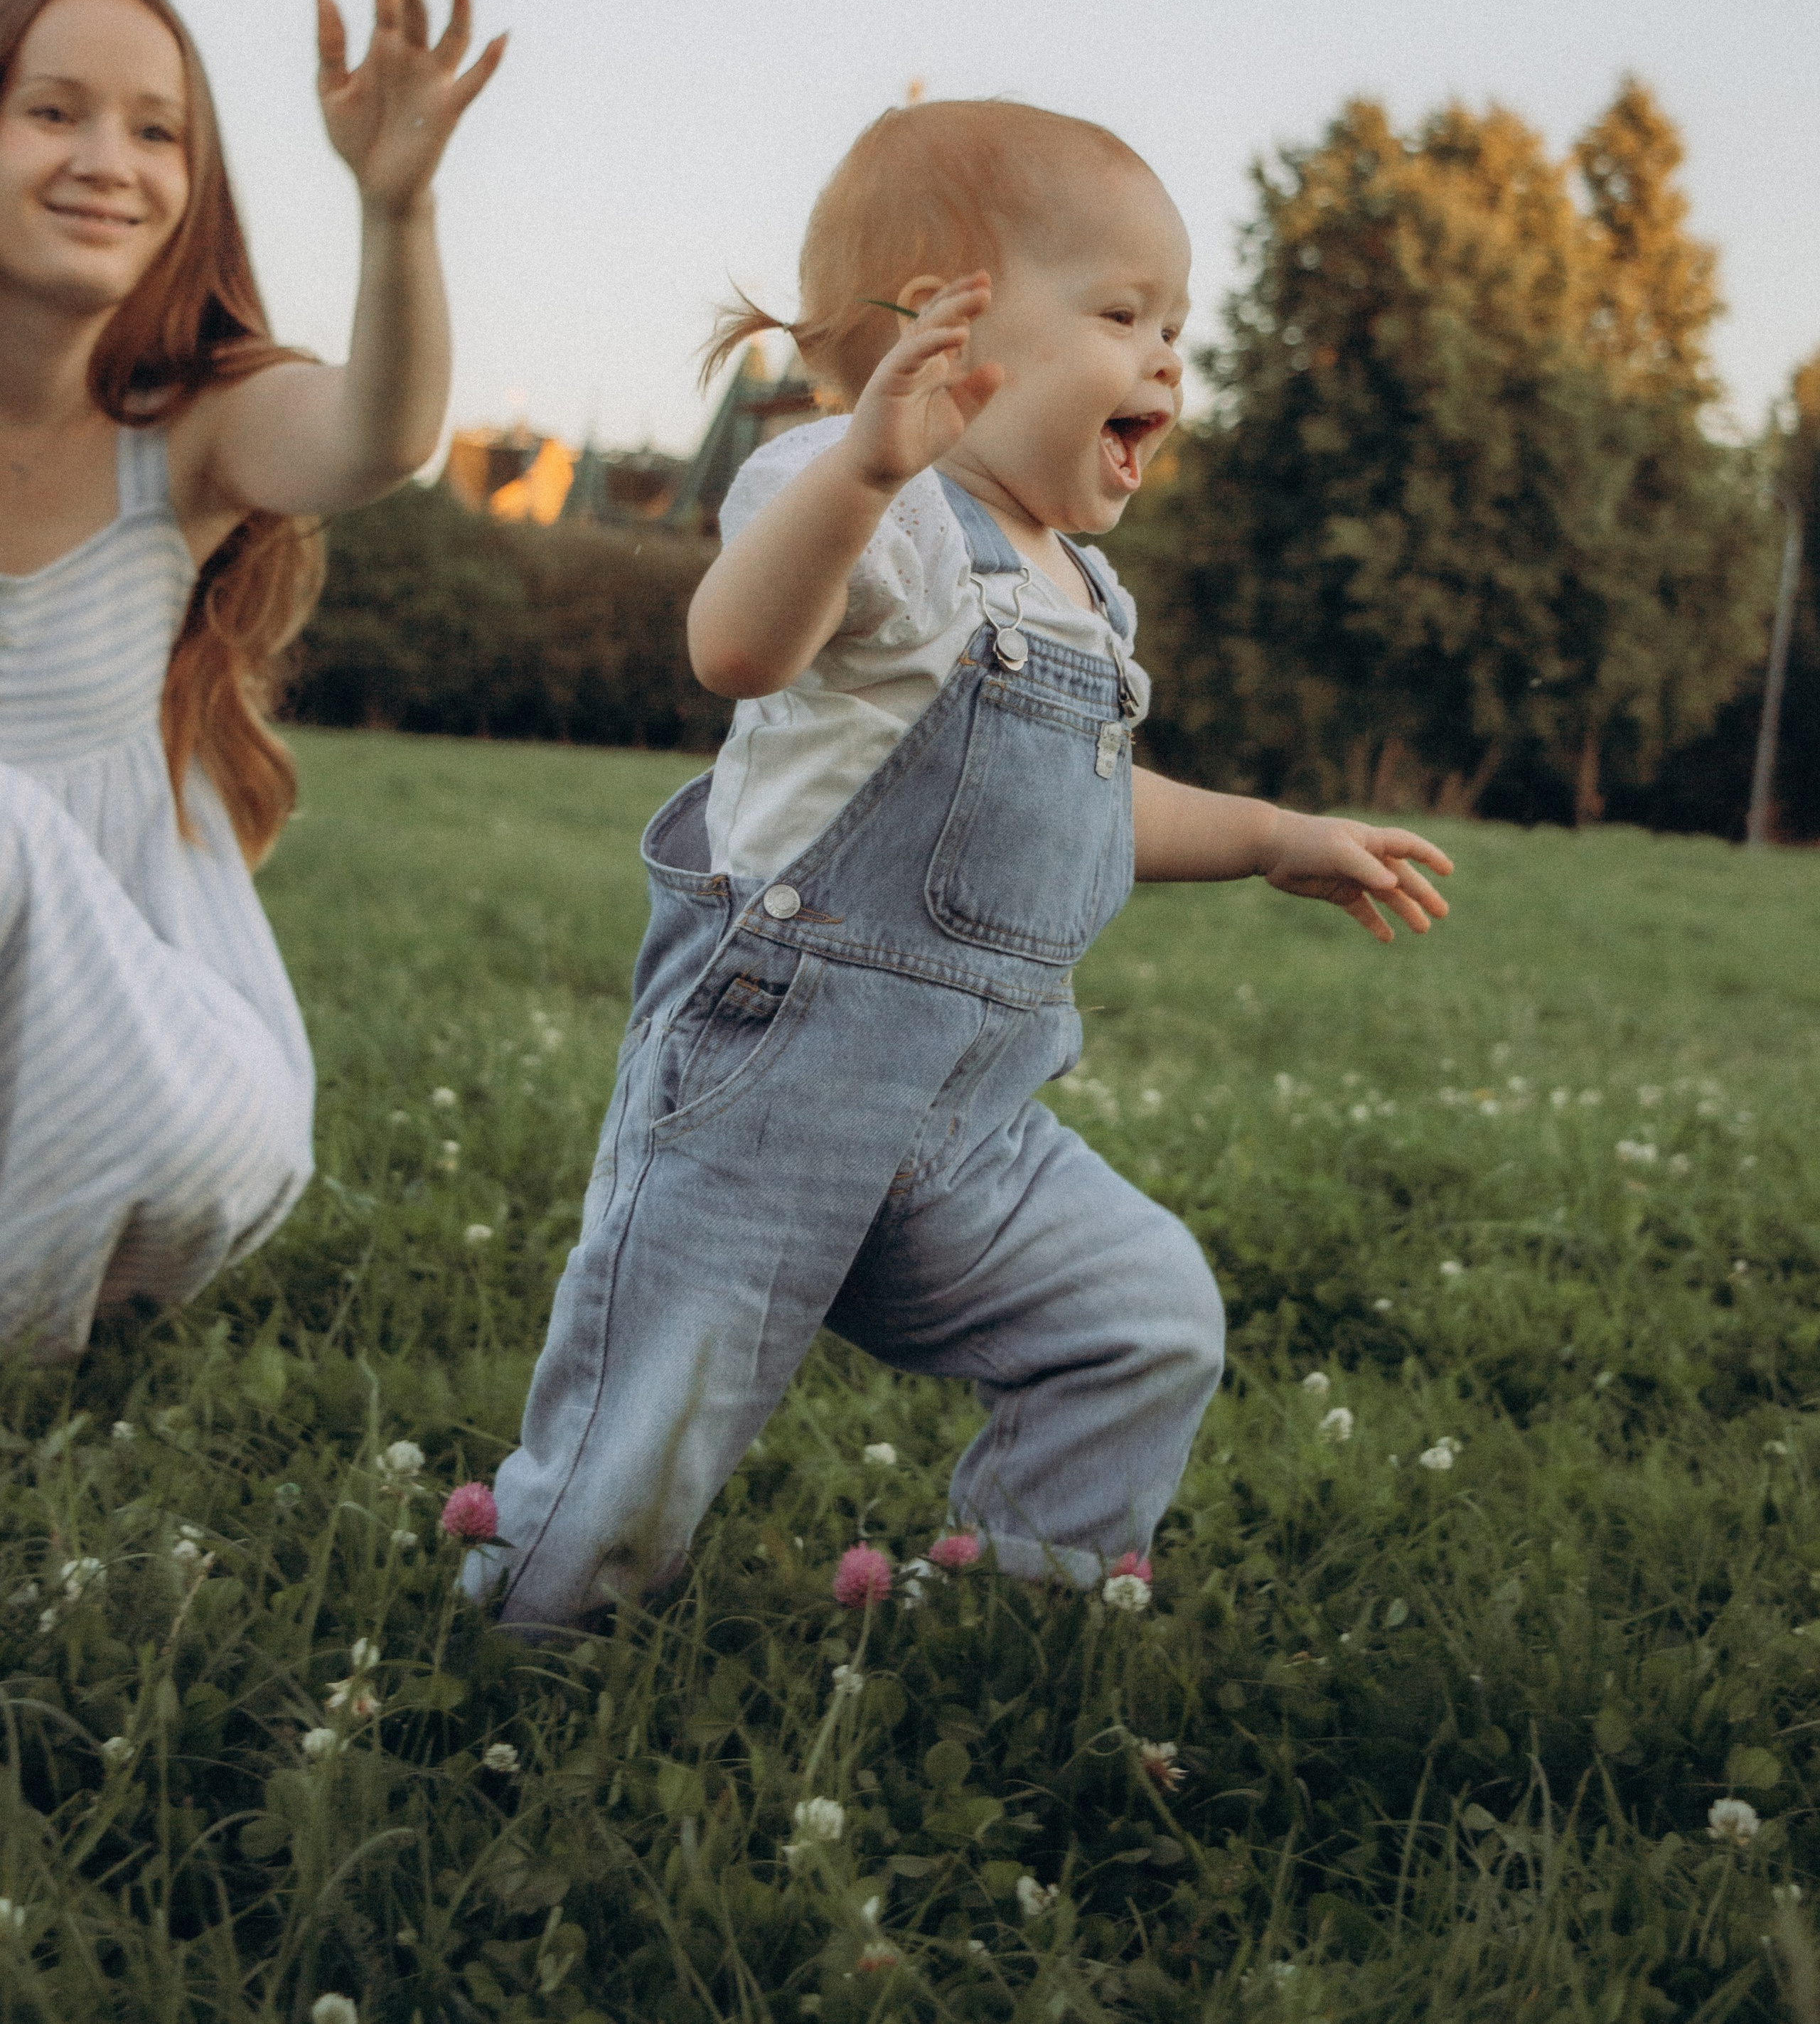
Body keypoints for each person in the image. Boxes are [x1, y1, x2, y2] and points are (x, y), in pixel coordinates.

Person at [479, 99, 1450, 1626]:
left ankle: (1015, 1620)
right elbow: (734, 647)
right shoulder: (871, 510)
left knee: (1142, 1319)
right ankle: (523, 1651)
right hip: (767, 1112)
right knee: (639, 1443)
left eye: (1175, 327)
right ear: (941, 339)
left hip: (967, 1135)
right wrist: (864, 468)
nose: (1164, 361)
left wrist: (1270, 836)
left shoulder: (1079, 592)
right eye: (1122, 314)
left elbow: (1083, 801)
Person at [0, 0, 504, 1356]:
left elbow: (380, 437)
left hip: (151, 1075)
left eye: (157, 131)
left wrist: (395, 211)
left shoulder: (195, 428)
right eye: (53, 110)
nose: (109, 159)